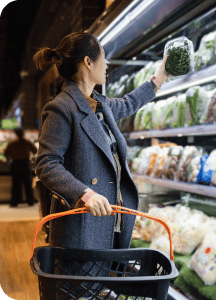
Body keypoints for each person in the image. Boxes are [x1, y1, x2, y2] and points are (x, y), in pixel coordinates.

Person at [33, 32, 169, 297]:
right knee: (80, 293)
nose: (107, 65)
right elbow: (46, 163)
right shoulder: (61, 108)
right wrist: (84, 193)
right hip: (82, 228)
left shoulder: (100, 104)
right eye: (103, 58)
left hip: (109, 223)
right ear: (88, 62)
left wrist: (159, 77)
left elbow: (130, 103)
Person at [4, 128, 37, 207]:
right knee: (28, 184)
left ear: (16, 134)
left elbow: (6, 154)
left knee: (16, 185)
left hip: (16, 164)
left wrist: (10, 158)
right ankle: (30, 201)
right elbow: (35, 150)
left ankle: (14, 202)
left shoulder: (12, 143)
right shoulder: (27, 142)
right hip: (25, 164)